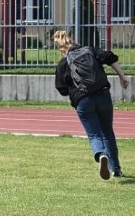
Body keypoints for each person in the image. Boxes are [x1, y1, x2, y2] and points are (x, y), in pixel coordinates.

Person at [53, 30, 129, 180]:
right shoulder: (90, 50)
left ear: (60, 48)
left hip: (83, 101)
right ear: (73, 40)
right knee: (108, 133)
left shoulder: (63, 64)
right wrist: (122, 76)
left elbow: (61, 89)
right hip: (102, 95)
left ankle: (101, 155)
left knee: (94, 134)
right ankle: (116, 169)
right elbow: (110, 57)